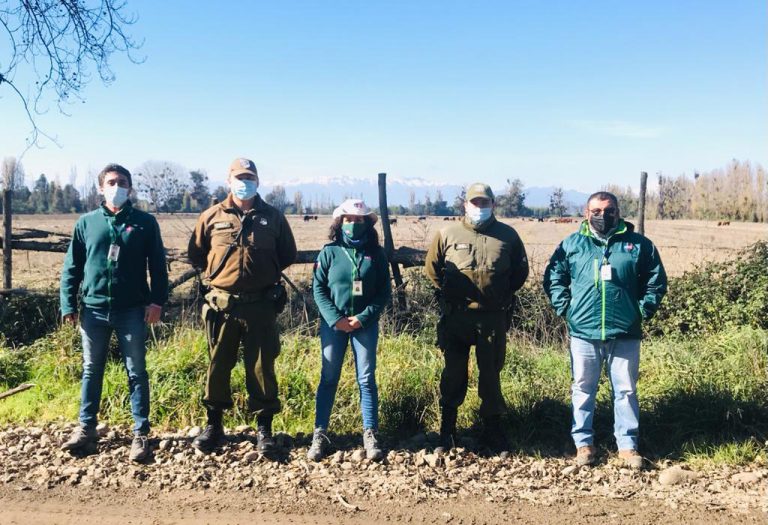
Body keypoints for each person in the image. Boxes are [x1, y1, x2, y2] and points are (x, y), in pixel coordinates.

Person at [543, 191, 667, 469]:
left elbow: (656, 281)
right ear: (586, 213)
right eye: (596, 211)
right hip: (583, 331)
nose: (602, 216)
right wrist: (567, 308)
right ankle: (583, 444)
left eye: (608, 210)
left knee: (625, 391)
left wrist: (641, 311)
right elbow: (554, 277)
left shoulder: (638, 245)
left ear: (618, 212)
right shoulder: (573, 244)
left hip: (625, 332)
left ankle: (627, 446)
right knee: (583, 389)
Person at [60, 163, 168, 462]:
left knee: (136, 371)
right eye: (111, 182)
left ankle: (141, 433)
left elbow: (158, 266)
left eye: (122, 182)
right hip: (93, 311)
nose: (116, 186)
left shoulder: (145, 223)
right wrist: (68, 303)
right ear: (100, 187)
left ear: (130, 188)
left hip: (132, 311)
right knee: (92, 371)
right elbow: (72, 267)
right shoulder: (87, 223)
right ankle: (86, 428)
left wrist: (157, 302)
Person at [187, 158, 297, 454]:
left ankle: (264, 429)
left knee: (262, 368)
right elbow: (197, 254)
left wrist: (259, 275)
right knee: (218, 365)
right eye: (239, 177)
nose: (244, 182)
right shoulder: (211, 216)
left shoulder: (272, 217)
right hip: (222, 305)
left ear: (258, 181)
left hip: (261, 305)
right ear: (229, 180)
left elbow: (287, 254)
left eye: (249, 177)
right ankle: (214, 426)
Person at [425, 183, 529, 454]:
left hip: (492, 318)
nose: (479, 207)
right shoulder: (447, 233)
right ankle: (447, 432)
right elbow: (432, 269)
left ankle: (492, 432)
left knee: (491, 375)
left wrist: (499, 295)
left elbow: (519, 272)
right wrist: (451, 294)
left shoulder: (508, 235)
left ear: (493, 205)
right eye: (475, 202)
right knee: (453, 373)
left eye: (484, 202)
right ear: (465, 205)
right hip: (456, 317)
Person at [307, 199, 392, 462]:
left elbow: (383, 292)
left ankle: (370, 432)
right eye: (349, 219)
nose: (354, 224)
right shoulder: (329, 252)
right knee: (328, 377)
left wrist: (364, 317)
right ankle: (319, 433)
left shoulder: (377, 255)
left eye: (359, 220)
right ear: (339, 222)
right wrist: (336, 318)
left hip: (363, 325)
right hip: (335, 326)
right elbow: (318, 289)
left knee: (366, 379)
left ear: (367, 223)